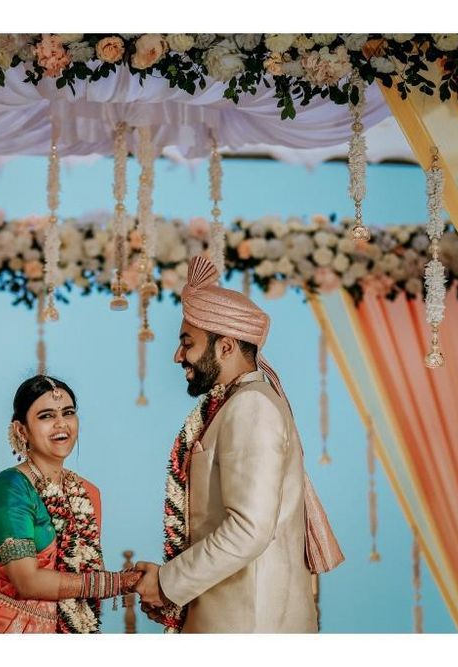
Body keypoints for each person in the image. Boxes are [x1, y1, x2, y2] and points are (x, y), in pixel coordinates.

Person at [134, 255, 344, 633]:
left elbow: (249, 529)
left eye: (187, 343)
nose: (178, 356)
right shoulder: (235, 405)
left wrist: (168, 584)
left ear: (226, 346)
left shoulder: (251, 407)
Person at [0, 375, 141, 633]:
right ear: (21, 430)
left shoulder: (88, 494)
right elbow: (27, 581)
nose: (61, 424)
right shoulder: (11, 487)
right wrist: (118, 584)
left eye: (68, 413)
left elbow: (81, 570)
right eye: (46, 416)